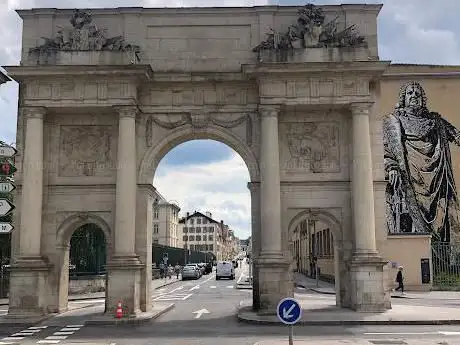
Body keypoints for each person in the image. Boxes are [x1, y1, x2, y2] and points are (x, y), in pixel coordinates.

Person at [383, 81, 460, 243]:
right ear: (403, 98)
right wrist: (391, 166)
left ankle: (442, 257)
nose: (414, 96)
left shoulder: (435, 121)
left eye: (417, 93)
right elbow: (387, 147)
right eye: (410, 93)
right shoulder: (394, 121)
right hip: (409, 176)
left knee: (442, 220)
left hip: (437, 179)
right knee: (408, 217)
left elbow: (456, 135)